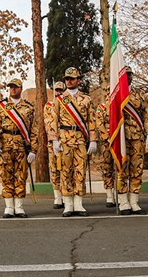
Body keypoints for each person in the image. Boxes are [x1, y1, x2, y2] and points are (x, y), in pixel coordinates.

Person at [47, 67, 98, 217]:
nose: (68, 81)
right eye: (66, 79)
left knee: (80, 171)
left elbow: (91, 121)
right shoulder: (59, 100)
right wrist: (54, 140)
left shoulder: (86, 99)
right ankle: (68, 204)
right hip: (64, 140)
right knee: (65, 172)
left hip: (81, 139)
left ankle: (78, 204)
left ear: (78, 80)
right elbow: (52, 121)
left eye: (72, 78)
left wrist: (93, 140)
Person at [0, 78, 38, 218]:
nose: (13, 89)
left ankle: (19, 207)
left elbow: (34, 130)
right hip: (5, 146)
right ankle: (9, 207)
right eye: (11, 87)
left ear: (20, 88)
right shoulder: (1, 106)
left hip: (22, 146)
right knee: (6, 176)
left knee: (21, 176)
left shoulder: (29, 107)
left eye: (15, 87)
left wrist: (34, 150)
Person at [117, 66, 148, 215]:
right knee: (122, 169)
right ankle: (123, 201)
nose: (127, 77)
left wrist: (147, 135)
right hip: (122, 137)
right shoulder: (115, 93)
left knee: (137, 169)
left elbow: (146, 115)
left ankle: (134, 201)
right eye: (125, 74)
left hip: (137, 137)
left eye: (129, 74)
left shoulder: (139, 93)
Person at [44, 81, 66, 209]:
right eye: (57, 90)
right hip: (53, 142)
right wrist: (54, 139)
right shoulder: (49, 106)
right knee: (54, 169)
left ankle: (67, 195)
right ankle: (57, 197)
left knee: (66, 169)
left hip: (67, 140)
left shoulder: (69, 103)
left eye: (61, 90)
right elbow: (48, 123)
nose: (59, 93)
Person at [94, 87, 116, 207]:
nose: (109, 93)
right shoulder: (102, 107)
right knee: (107, 167)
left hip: (118, 140)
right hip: (106, 142)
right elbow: (99, 123)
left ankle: (119, 192)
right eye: (107, 91)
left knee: (120, 166)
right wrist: (106, 135)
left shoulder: (119, 105)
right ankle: (109, 195)